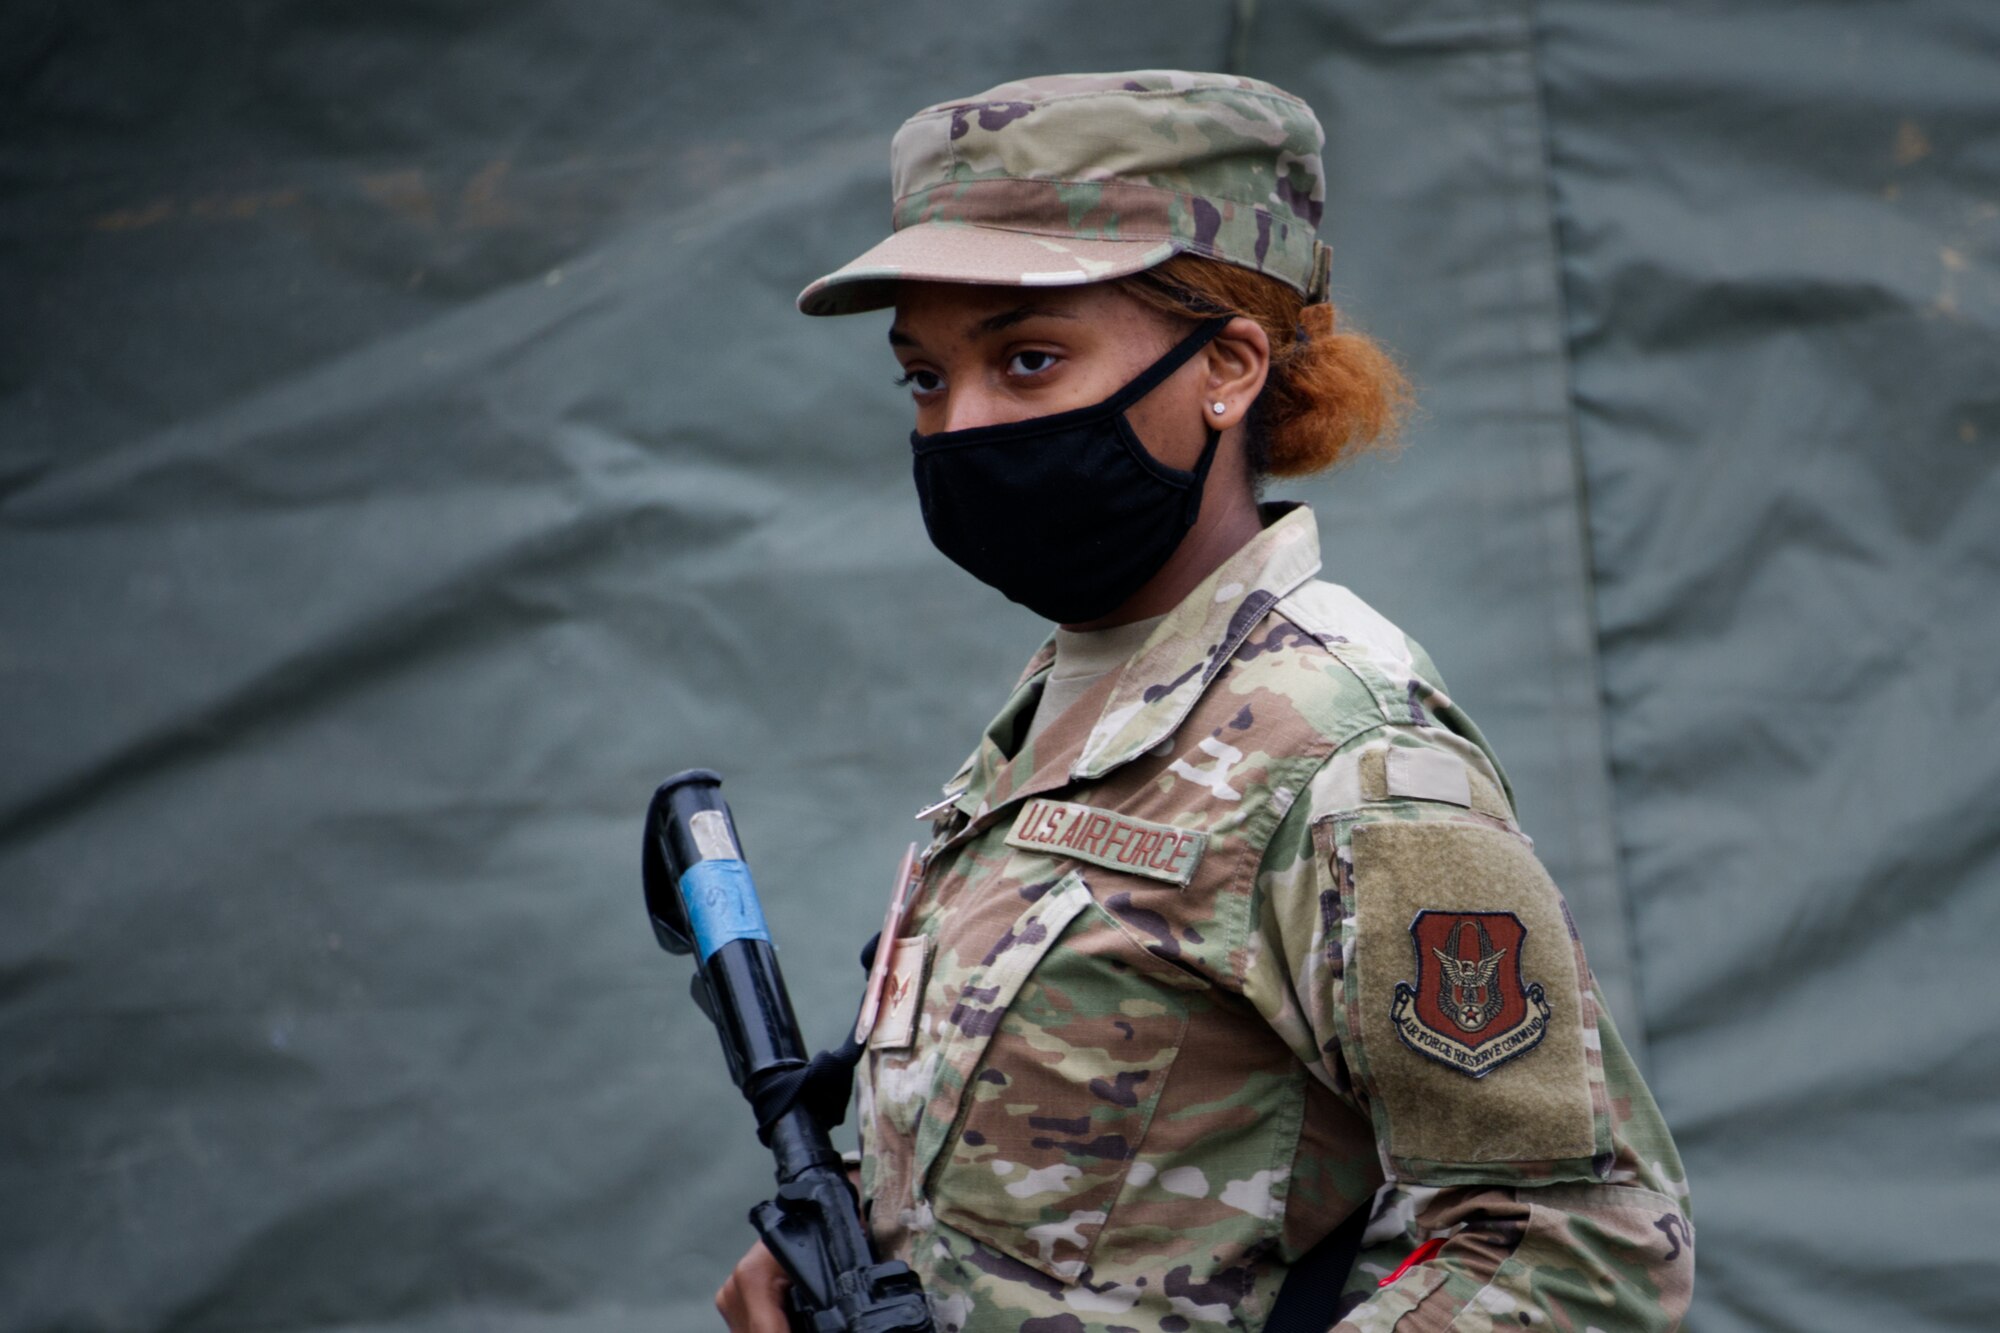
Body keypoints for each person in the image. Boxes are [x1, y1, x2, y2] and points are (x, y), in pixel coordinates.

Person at [718, 70, 1693, 1333]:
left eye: (1027, 360)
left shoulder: (1341, 752)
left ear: (1226, 366)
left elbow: (1579, 1250)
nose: (960, 425)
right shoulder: (1074, 710)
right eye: (921, 377)